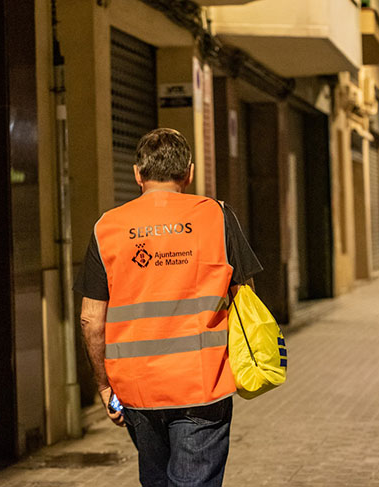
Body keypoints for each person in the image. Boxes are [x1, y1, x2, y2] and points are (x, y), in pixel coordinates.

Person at [75, 128, 262, 486]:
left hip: (137, 390)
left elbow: (91, 319)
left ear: (137, 174)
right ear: (189, 172)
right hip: (203, 386)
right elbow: (246, 301)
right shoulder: (217, 217)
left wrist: (103, 385)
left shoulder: (107, 227)